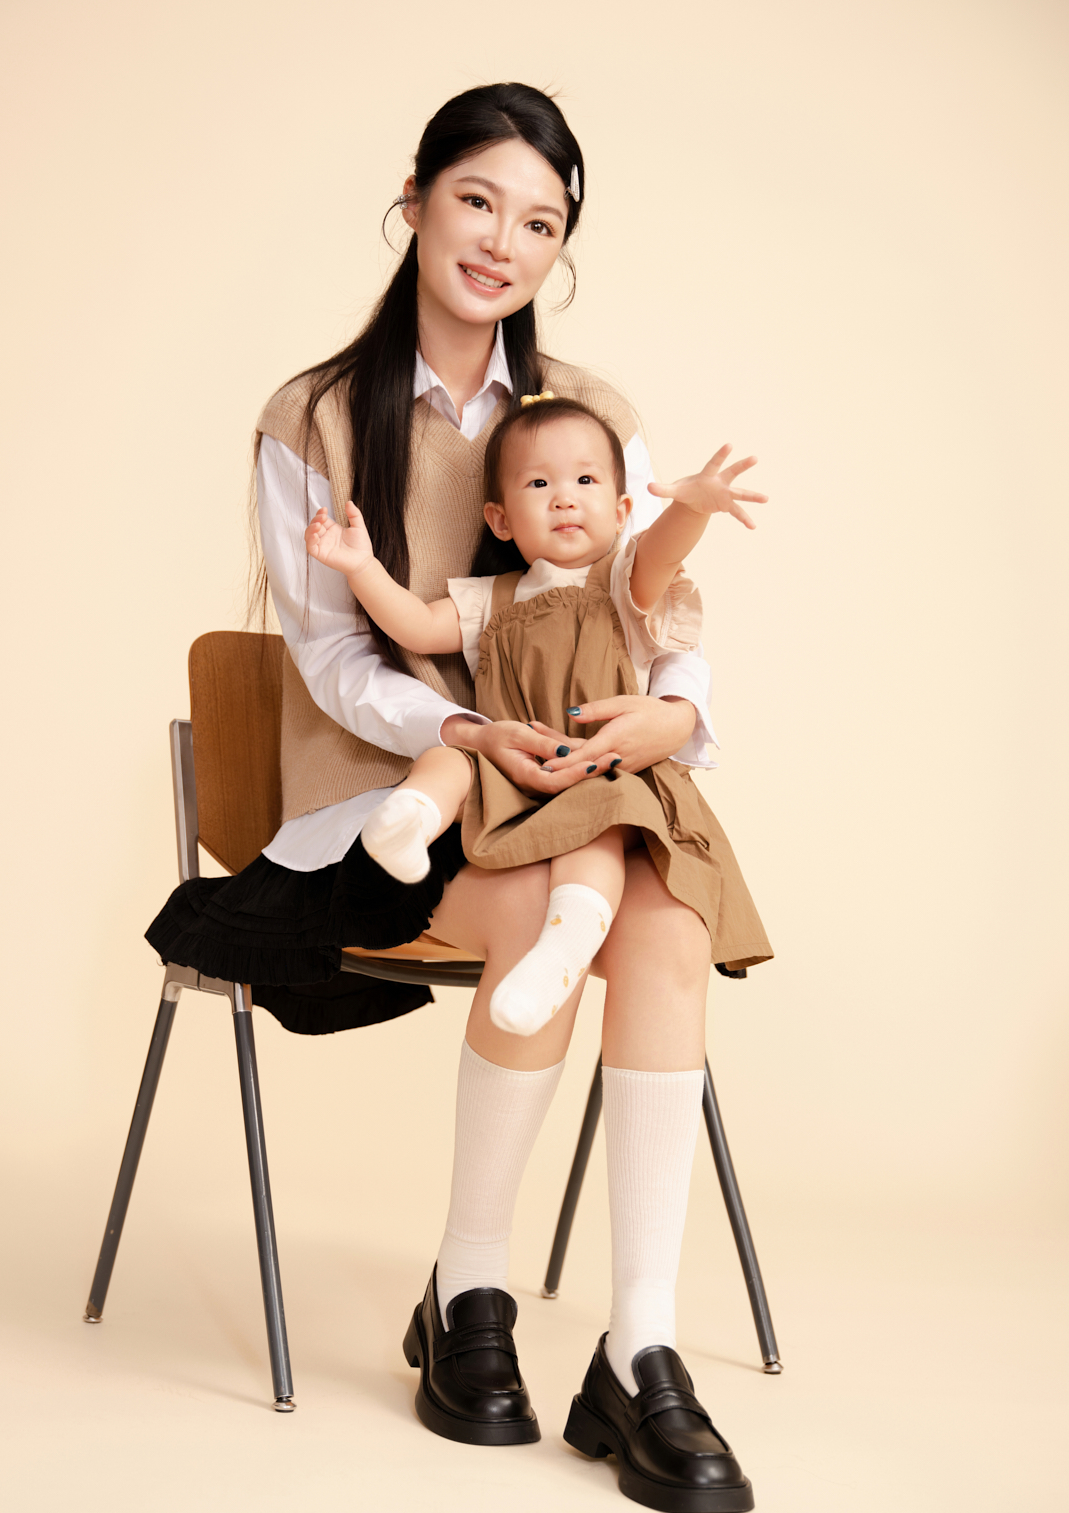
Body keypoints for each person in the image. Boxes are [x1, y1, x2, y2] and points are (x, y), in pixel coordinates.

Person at [146, 82, 773, 1513]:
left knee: (666, 920)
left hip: (576, 785)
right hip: (396, 797)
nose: (503, 242)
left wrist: (679, 714)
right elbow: (333, 660)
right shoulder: (312, 417)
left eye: (540, 223)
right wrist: (479, 732)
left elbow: (650, 604)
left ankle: (641, 1347)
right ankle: (471, 1291)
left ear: (561, 248)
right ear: (417, 197)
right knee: (548, 912)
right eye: (479, 200)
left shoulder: (594, 416)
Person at [303, 395, 770, 1039]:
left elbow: (662, 551)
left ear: (622, 511)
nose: (565, 498)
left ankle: (560, 953)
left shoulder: (624, 584)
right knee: (448, 755)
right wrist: (362, 567)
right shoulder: (491, 598)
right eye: (539, 484)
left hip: (604, 769)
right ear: (499, 519)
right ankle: (408, 821)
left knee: (599, 827)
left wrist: (693, 506)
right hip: (515, 764)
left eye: (586, 480)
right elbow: (414, 626)